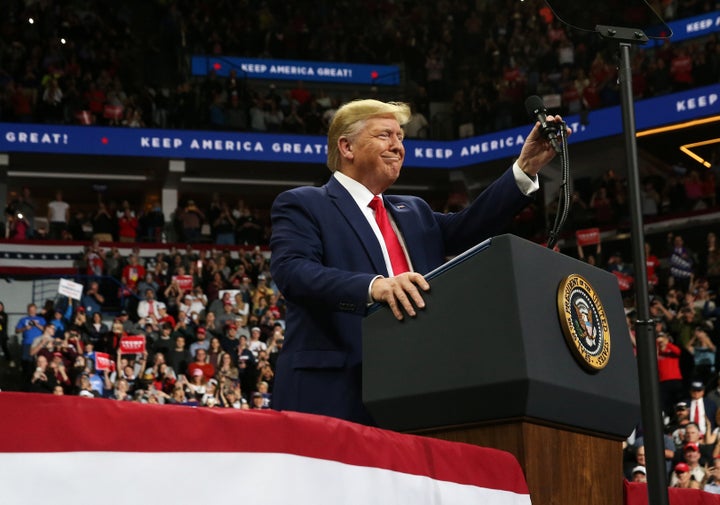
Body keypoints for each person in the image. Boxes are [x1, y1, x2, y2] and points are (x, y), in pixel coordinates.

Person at [269, 98, 567, 424]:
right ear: (347, 147)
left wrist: (525, 168)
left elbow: (472, 226)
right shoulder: (305, 204)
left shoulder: (414, 211)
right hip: (334, 392)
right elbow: (292, 271)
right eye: (385, 135)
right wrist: (374, 287)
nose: (398, 146)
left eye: (401, 137)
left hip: (414, 388)